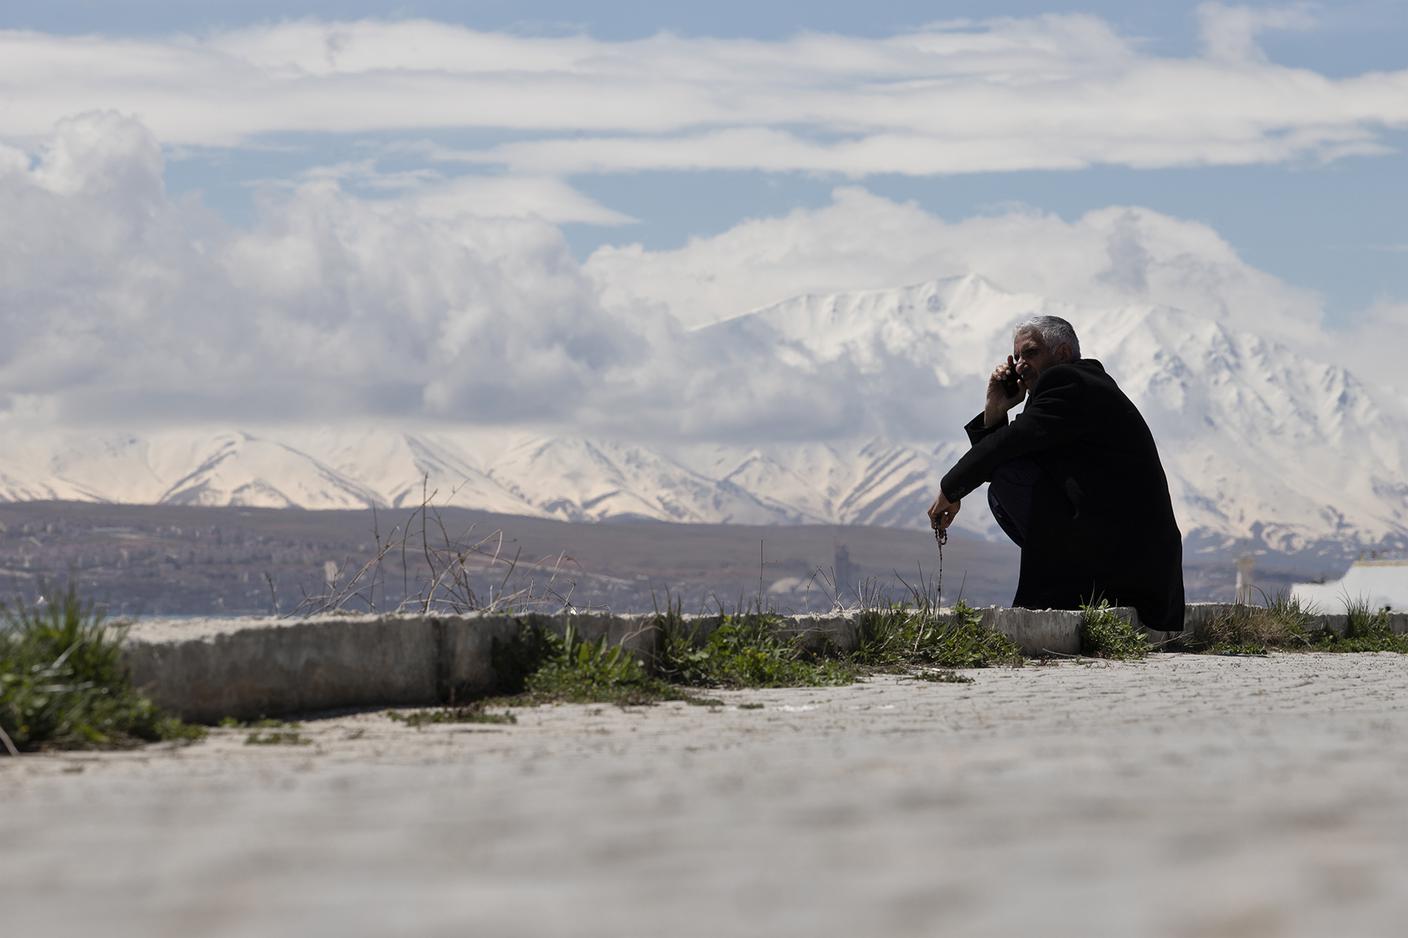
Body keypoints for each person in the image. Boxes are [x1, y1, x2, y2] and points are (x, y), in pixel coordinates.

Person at [926, 316, 1185, 631]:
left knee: (1009, 478)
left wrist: (950, 489)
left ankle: (1064, 592)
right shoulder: (1076, 389)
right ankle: (1067, 589)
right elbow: (1010, 452)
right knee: (1010, 474)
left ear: (1062, 353)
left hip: (1128, 569)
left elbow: (1008, 447)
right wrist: (996, 407)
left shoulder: (1069, 383)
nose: (1020, 365)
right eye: (1016, 357)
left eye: (1030, 353)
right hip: (1138, 570)